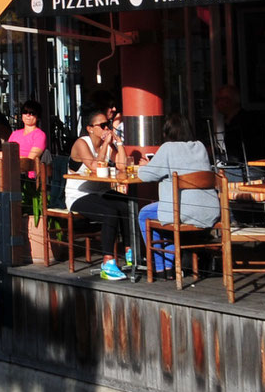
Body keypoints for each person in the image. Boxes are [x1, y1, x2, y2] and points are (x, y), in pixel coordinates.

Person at [135, 115, 219, 274]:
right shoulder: (200, 146)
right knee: (164, 214)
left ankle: (162, 268)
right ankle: (170, 265)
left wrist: (146, 165)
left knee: (145, 214)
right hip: (209, 210)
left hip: (182, 210)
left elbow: (147, 176)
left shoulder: (168, 148)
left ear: (167, 133)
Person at [67, 108, 131, 279]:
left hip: (100, 192)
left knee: (127, 204)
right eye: (102, 125)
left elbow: (122, 166)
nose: (106, 129)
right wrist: (105, 146)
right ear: (90, 128)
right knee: (110, 212)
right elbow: (95, 167)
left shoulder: (108, 145)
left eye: (108, 125)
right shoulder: (82, 143)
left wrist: (118, 143)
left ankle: (130, 252)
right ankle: (107, 262)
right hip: (78, 195)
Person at [210, 85, 265, 173]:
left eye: (219, 99)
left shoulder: (245, 122)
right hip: (244, 167)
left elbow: (238, 153)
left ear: (229, 101)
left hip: (250, 169)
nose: (216, 103)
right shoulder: (229, 122)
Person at [9, 100, 49, 181]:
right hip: (10, 172)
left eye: (32, 113)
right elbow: (7, 152)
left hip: (27, 177)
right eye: (25, 112)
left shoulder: (40, 135)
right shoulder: (15, 134)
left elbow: (29, 160)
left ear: (38, 117)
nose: (28, 115)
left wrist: (7, 157)